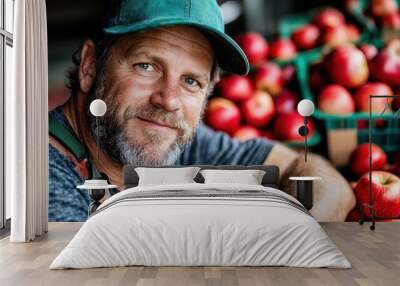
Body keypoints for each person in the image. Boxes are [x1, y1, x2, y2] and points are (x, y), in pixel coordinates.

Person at [49, 0, 355, 222]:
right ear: (90, 66)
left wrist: (301, 234)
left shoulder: (181, 144)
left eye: (191, 81)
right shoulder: (44, 181)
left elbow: (310, 172)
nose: (169, 100)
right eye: (146, 66)